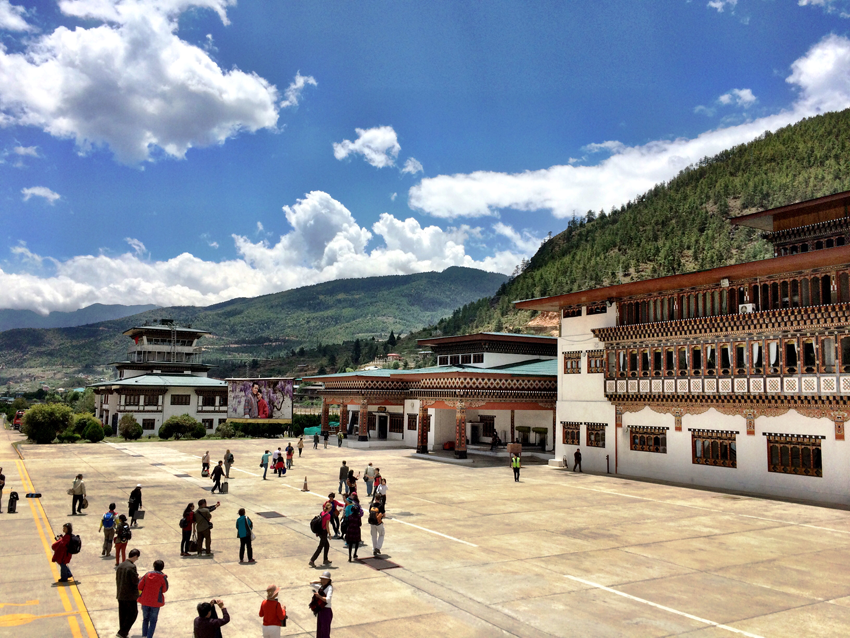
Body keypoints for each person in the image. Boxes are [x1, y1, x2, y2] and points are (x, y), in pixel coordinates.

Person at [138, 559, 168, 638]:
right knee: (153, 621)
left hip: (145, 601)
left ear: (153, 566)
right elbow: (164, 590)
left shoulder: (147, 575)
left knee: (145, 619)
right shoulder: (163, 577)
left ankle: (144, 636)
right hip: (156, 602)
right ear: (162, 568)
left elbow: (139, 586)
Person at [116, 547, 141, 638]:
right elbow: (134, 581)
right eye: (137, 557)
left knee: (122, 614)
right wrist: (138, 578)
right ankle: (122, 632)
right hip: (129, 596)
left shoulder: (121, 565)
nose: (136, 559)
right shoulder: (132, 567)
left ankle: (123, 633)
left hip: (120, 594)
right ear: (134, 556)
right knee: (133, 613)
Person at [308, 501, 332, 568]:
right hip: (324, 532)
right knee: (320, 547)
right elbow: (327, 526)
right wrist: (329, 534)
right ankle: (312, 560)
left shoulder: (322, 513)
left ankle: (325, 559)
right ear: (329, 508)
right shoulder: (328, 515)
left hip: (320, 531)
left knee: (327, 545)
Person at [310, 572, 333, 638]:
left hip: (326, 611)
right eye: (322, 579)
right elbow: (311, 583)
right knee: (320, 630)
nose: (323, 581)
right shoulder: (321, 587)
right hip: (321, 611)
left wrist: (319, 596)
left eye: (325, 579)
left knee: (325, 631)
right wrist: (320, 581)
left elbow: (328, 599)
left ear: (329, 580)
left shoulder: (329, 588)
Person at [343, 496, 362, 562]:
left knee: (350, 544)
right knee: (357, 543)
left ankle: (349, 556)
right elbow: (360, 524)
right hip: (356, 530)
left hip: (350, 530)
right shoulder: (358, 517)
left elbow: (348, 522)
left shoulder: (350, 516)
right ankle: (355, 554)